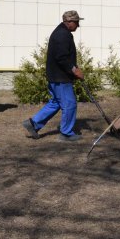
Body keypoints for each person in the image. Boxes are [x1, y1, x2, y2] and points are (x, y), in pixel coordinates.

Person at [22, 10, 84, 142]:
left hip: (55, 76)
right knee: (70, 104)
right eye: (76, 22)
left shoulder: (60, 32)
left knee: (55, 103)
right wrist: (74, 70)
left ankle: (33, 124)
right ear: (69, 22)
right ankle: (66, 133)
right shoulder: (62, 35)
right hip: (61, 78)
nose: (78, 25)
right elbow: (61, 57)